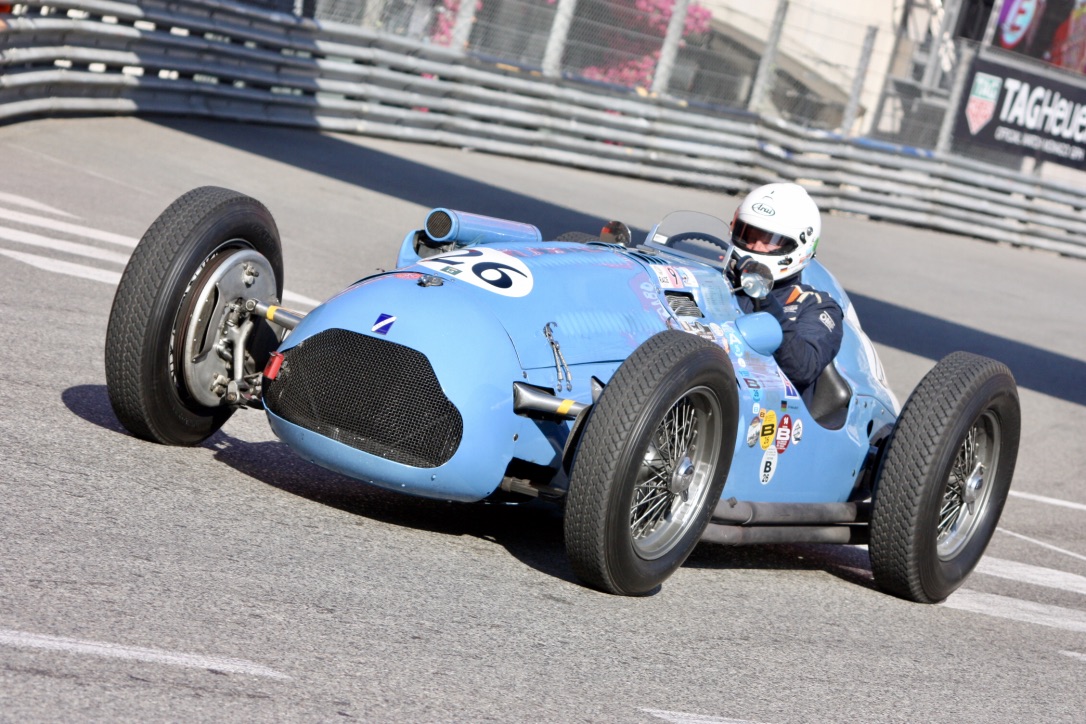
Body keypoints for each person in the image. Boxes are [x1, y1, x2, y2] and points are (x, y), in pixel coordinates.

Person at [730, 182, 843, 394]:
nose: (755, 247)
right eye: (749, 235)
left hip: (769, 406)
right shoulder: (719, 280)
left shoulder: (816, 305)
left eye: (769, 240)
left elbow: (803, 368)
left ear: (799, 246)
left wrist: (763, 299)